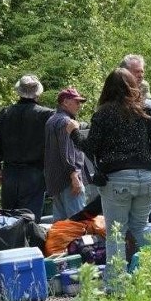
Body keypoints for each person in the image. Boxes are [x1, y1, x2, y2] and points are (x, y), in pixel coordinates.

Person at [67, 68, 151, 279]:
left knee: (116, 234)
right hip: (147, 177)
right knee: (140, 227)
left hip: (117, 180)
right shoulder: (147, 109)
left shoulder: (103, 113)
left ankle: (116, 283)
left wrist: (73, 132)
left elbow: (91, 146)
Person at [0, 75, 54, 221]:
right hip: (34, 172)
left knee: (8, 215)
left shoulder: (5, 112)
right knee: (29, 216)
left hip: (10, 171)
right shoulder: (46, 114)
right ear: (37, 92)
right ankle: (28, 241)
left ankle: (10, 243)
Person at [44, 88, 89, 221]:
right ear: (65, 102)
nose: (79, 106)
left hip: (55, 181)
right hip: (69, 181)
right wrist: (74, 176)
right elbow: (67, 151)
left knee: (61, 227)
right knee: (78, 223)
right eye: (76, 102)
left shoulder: (51, 120)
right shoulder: (66, 122)